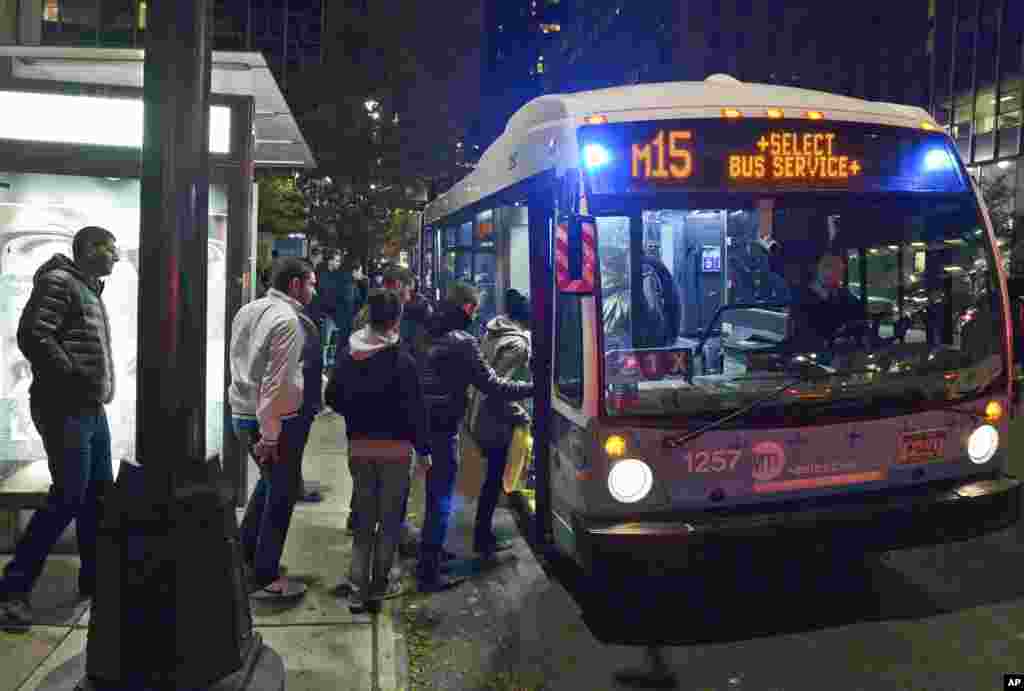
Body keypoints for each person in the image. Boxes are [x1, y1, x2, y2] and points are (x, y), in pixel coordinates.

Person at [0, 227, 119, 625]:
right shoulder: (59, 282)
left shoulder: (88, 287)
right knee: (69, 495)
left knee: (97, 494)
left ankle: (95, 578)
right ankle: (11, 591)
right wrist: (71, 377)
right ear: (88, 250)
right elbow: (33, 334)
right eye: (109, 249)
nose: (116, 257)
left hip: (89, 408)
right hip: (65, 406)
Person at [417, 281, 534, 592]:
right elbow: (493, 385)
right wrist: (536, 390)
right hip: (445, 424)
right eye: (474, 308)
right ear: (466, 308)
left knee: (436, 494)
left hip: (428, 422)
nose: (476, 314)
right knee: (442, 498)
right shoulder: (463, 341)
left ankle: (432, 553)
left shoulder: (432, 332)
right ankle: (429, 573)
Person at [325, 289, 431, 613]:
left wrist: (357, 413)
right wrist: (424, 451)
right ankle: (378, 589)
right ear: (396, 319)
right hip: (397, 453)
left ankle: (357, 591)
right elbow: (417, 411)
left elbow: (331, 397)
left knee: (363, 523)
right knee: (389, 524)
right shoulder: (403, 361)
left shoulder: (349, 356)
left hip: (359, 449)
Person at [228, 257, 318, 601]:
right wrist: (270, 435)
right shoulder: (288, 321)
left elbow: (243, 363)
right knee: (281, 494)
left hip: (242, 412)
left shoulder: (249, 310)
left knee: (269, 486)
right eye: (311, 282)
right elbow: (275, 384)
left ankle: (244, 554)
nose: (314, 289)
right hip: (272, 421)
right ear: (295, 284)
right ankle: (265, 574)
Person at [466, 289, 532, 561]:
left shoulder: (493, 331)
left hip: (478, 414)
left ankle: (484, 536)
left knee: (492, 480)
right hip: (495, 420)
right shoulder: (518, 345)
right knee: (494, 481)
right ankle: (483, 539)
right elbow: (499, 388)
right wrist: (521, 413)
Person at [790, 253, 866, 350]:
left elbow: (861, 322)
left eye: (839, 269)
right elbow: (803, 335)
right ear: (816, 269)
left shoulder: (846, 296)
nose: (833, 273)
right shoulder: (802, 298)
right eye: (828, 267)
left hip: (846, 354)